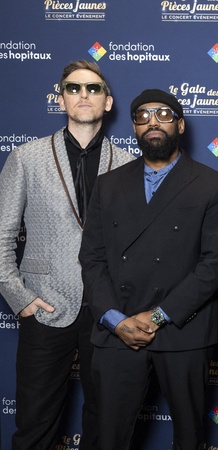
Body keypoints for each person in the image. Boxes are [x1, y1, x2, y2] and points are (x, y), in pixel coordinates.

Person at [78, 88, 218, 450]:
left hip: (184, 329)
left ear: (180, 125)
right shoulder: (108, 184)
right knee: (108, 436)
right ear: (134, 128)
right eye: (143, 116)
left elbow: (215, 264)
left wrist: (159, 315)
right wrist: (115, 320)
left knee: (189, 437)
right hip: (119, 327)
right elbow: (92, 258)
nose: (153, 122)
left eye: (163, 115)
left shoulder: (213, 185)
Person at [0, 60, 135, 449]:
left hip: (107, 312)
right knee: (35, 425)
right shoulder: (26, 157)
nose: (83, 95)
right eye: (73, 88)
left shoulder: (128, 164)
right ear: (61, 99)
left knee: (105, 425)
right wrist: (21, 298)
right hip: (45, 306)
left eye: (93, 88)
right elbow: (2, 234)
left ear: (108, 101)